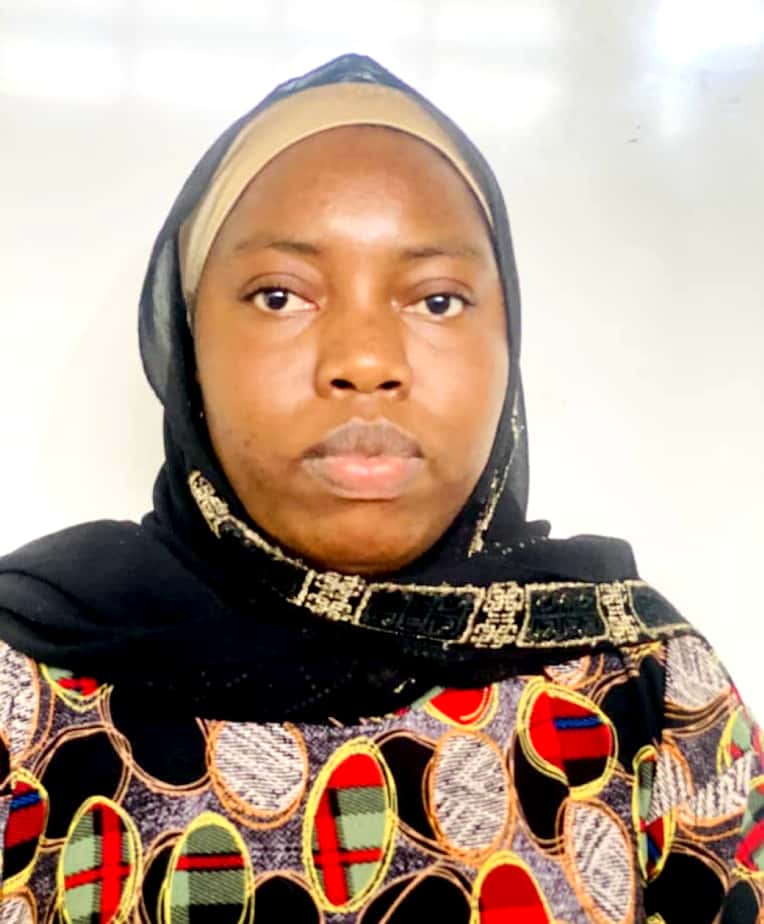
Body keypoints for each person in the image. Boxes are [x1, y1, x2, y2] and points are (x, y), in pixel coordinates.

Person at [0, 53, 760, 924]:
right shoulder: (26, 687)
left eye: (436, 301)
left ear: (506, 343)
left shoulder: (646, 691)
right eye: (279, 296)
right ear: (191, 342)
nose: (364, 362)